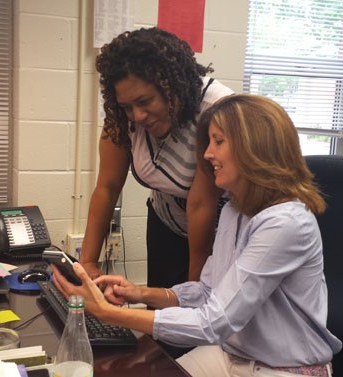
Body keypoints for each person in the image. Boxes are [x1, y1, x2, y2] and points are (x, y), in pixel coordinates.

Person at [52, 94, 342, 377]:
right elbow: (206, 292)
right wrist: (139, 293)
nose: (207, 154)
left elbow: (215, 322)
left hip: (281, 369)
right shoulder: (235, 209)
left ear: (254, 147)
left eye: (218, 141)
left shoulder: (285, 224)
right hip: (232, 356)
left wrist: (108, 313)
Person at [80, 27, 234, 289]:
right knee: (160, 317)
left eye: (145, 101)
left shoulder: (217, 112)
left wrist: (192, 294)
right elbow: (107, 187)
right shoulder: (122, 117)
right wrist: (87, 265)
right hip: (166, 221)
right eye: (128, 106)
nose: (137, 116)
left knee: (197, 314)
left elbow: (201, 205)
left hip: (217, 233)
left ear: (173, 85)